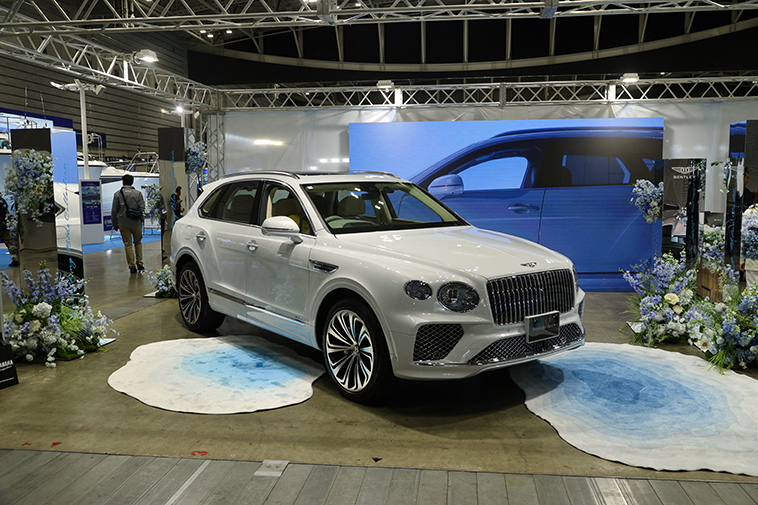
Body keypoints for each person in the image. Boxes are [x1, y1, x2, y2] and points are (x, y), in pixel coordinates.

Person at [112, 174, 146, 274]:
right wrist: (141, 220)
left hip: (123, 223)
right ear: (132, 182)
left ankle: (132, 266)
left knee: (128, 245)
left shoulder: (117, 194)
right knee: (138, 243)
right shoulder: (138, 193)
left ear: (123, 182)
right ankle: (140, 263)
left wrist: (115, 223)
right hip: (136, 222)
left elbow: (114, 210)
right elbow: (142, 208)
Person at [742, 193, 758, 288]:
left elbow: (744, 239)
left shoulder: (749, 212)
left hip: (753, 260)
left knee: (752, 291)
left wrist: (742, 260)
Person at [0, 195, 18, 267]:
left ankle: (15, 259)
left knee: (9, 243)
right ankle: (15, 259)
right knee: (9, 244)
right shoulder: (2, 201)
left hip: (1, 225)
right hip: (5, 225)